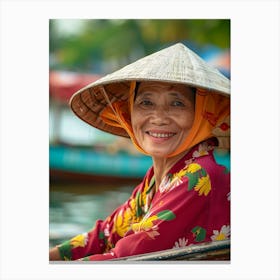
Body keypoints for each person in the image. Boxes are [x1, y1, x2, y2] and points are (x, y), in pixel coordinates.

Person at [49, 43, 230, 261]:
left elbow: (125, 259)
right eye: (146, 102)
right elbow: (105, 234)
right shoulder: (155, 180)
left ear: (202, 113)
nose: (159, 117)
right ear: (129, 114)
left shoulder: (199, 174)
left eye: (177, 103)